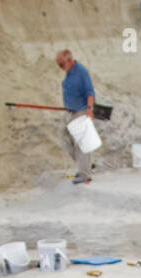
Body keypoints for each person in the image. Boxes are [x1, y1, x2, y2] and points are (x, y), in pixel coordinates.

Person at [56, 49, 96, 184]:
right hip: (70, 112)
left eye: (61, 64)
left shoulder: (81, 72)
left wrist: (89, 109)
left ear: (69, 60)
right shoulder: (68, 73)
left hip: (81, 111)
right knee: (64, 138)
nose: (60, 68)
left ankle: (85, 174)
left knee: (81, 143)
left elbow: (90, 92)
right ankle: (85, 164)